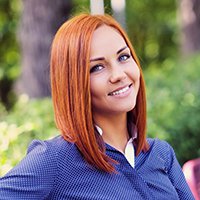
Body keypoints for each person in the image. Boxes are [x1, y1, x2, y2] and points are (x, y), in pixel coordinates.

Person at [0, 13, 194, 200]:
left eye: (123, 57)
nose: (118, 74)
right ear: (72, 83)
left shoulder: (161, 154)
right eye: (97, 67)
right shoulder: (55, 160)